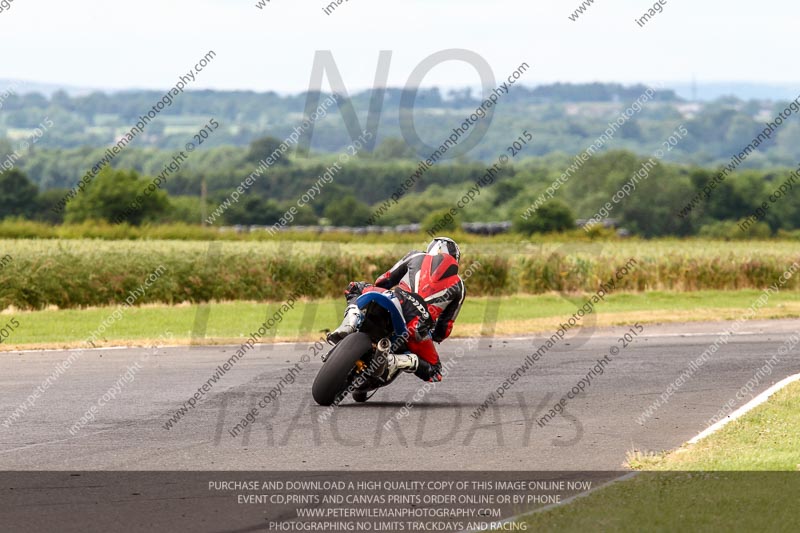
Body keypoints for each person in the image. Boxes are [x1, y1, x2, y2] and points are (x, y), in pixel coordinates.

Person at [327, 237, 465, 382]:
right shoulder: (459, 286)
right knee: (435, 371)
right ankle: (394, 361)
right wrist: (435, 336)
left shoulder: (416, 255)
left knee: (354, 288)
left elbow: (383, 280)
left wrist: (385, 289)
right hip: (417, 325)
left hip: (397, 299)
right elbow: (445, 326)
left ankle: (349, 323)